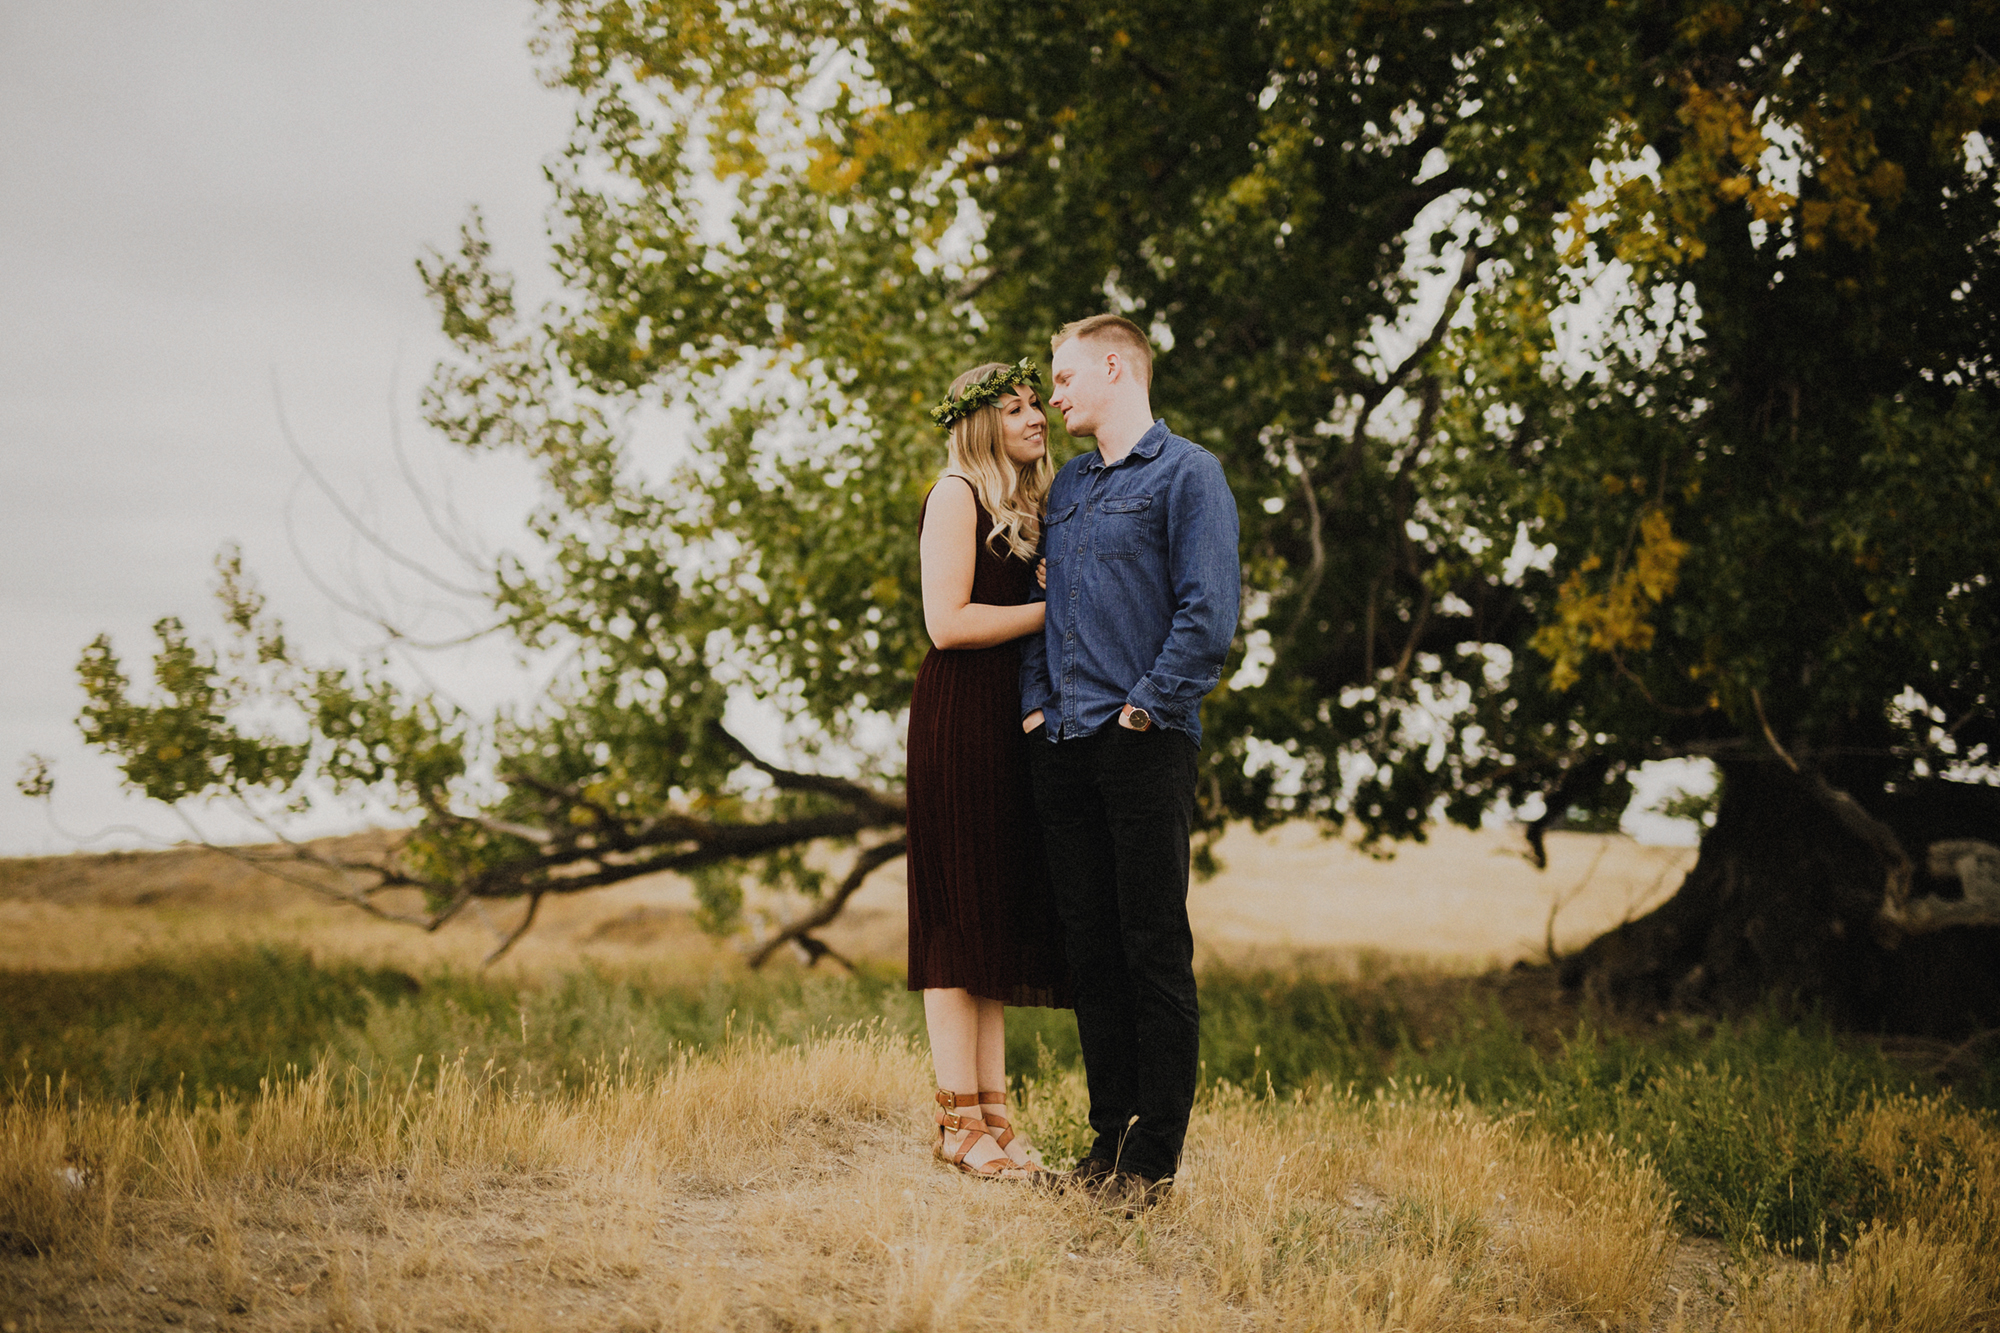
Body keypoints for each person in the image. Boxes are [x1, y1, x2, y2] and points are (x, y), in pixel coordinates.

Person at [1020, 315, 1241, 1210]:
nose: (1055, 392)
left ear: (1115, 367)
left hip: (1145, 744)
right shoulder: (1067, 488)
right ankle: (1106, 1142)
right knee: (1092, 952)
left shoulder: (1190, 474)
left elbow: (1207, 615)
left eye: (1065, 375)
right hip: (1064, 747)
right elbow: (1046, 609)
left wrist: (1144, 710)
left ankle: (1153, 1163)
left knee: (1152, 948)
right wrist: (1036, 706)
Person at [906, 358, 1072, 1180]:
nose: (1036, 414)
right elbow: (948, 621)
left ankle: (995, 1118)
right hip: (959, 715)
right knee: (954, 920)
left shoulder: (1031, 504)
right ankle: (954, 1120)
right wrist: (1057, 603)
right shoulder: (955, 495)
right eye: (1015, 407)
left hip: (1010, 719)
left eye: (1037, 401)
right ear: (980, 424)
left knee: (993, 912)